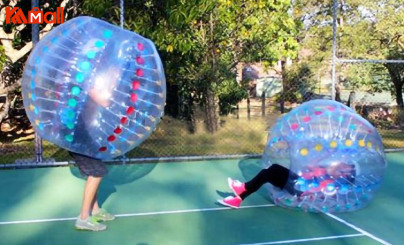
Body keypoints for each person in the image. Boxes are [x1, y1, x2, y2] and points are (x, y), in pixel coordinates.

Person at [71, 65, 121, 231]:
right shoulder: (88, 84)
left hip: (86, 134)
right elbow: (105, 101)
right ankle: (83, 218)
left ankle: (95, 210)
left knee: (96, 170)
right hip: (78, 135)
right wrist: (113, 80)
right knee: (96, 172)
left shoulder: (93, 83)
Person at [217, 162, 356, 209]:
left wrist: (306, 193)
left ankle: (242, 191)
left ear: (345, 176)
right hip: (298, 181)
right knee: (273, 168)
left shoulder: (331, 183)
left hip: (299, 190)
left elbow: (316, 191)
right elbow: (309, 170)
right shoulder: (328, 172)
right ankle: (239, 196)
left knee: (267, 174)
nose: (341, 168)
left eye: (345, 170)